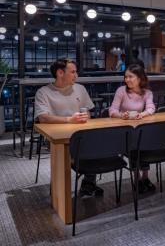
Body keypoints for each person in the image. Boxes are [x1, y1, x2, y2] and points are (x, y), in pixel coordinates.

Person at [34, 59, 98, 196]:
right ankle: (60, 193)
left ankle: (89, 183)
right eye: (73, 72)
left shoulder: (80, 89)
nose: (76, 76)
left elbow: (87, 111)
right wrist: (70, 120)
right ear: (60, 73)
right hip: (55, 137)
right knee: (70, 151)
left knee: (98, 144)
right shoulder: (43, 92)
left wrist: (85, 116)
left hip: (81, 134)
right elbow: (43, 118)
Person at [109, 64, 156, 193]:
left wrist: (143, 114)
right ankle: (137, 178)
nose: (127, 80)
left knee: (145, 143)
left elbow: (151, 108)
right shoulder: (121, 91)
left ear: (140, 78)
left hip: (139, 127)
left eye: (131, 77)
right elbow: (112, 110)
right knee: (134, 146)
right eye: (126, 77)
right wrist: (121, 115)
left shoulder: (147, 92)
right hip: (124, 130)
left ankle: (145, 177)